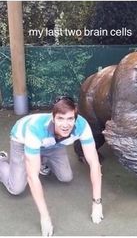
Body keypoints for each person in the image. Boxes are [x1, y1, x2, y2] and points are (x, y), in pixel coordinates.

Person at [0, 96, 103, 236]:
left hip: (54, 143)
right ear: (53, 118)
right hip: (23, 140)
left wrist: (97, 203)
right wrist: (45, 217)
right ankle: (2, 161)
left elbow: (94, 163)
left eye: (70, 119)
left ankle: (40, 159)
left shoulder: (82, 125)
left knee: (66, 177)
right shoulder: (34, 129)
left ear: (75, 118)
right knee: (16, 188)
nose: (66, 124)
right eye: (61, 118)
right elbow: (32, 177)